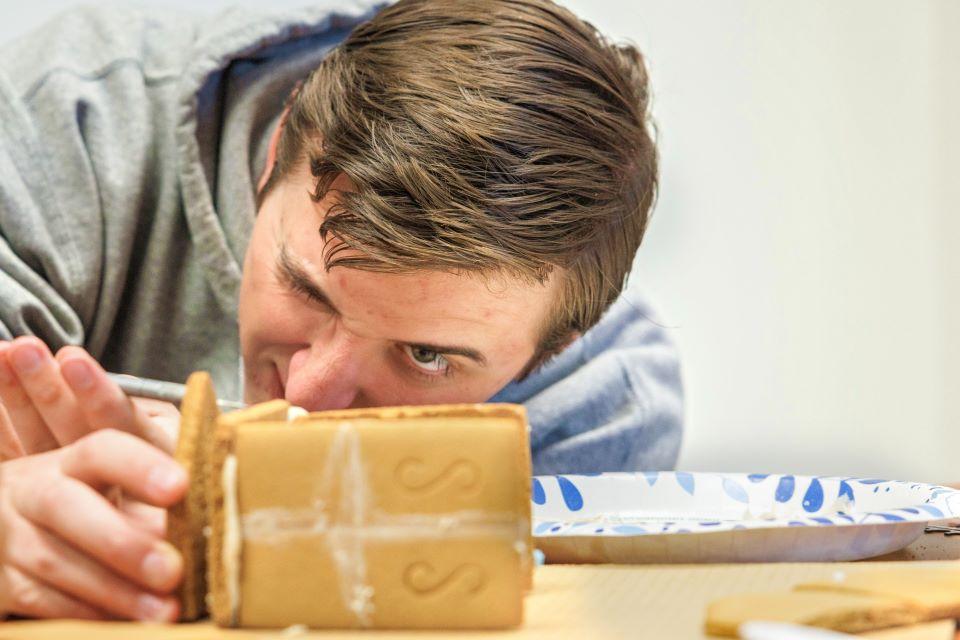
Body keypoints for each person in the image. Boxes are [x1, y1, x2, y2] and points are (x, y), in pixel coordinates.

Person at [0, 0, 683, 622]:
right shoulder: (55, 129)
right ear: (273, 161)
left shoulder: (599, 411)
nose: (309, 394)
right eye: (304, 289)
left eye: (425, 356)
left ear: (554, 352)